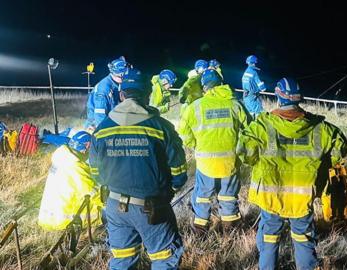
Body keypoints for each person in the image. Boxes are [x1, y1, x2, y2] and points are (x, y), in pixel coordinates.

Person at [237, 78, 347, 270]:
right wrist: (323, 165)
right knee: (304, 239)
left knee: (269, 238)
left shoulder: (262, 126)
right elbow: (340, 151)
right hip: (302, 199)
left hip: (271, 197)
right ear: (299, 99)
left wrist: (255, 161)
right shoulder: (321, 129)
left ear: (278, 98)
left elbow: (244, 152)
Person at [89, 68, 188, 269]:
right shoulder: (161, 127)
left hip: (115, 206)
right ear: (147, 95)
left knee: (122, 260)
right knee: (163, 258)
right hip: (151, 207)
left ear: (121, 94)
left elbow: (95, 172)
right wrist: (171, 189)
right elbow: (178, 170)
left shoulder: (102, 129)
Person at [178, 69, 249, 233]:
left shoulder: (195, 106)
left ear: (204, 87)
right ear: (221, 83)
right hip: (230, 161)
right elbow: (249, 130)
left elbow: (183, 132)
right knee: (228, 195)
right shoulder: (235, 104)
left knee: (202, 196)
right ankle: (231, 230)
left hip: (205, 163)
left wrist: (195, 144)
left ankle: (200, 229)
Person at [38, 131, 103, 231]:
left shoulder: (63, 158)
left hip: (47, 217)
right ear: (87, 146)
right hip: (62, 221)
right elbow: (93, 192)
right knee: (102, 207)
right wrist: (111, 202)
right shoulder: (75, 166)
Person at [85, 56, 129, 131]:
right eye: (125, 75)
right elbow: (100, 116)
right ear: (120, 75)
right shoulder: (104, 89)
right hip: (96, 126)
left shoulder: (116, 84)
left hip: (111, 122)